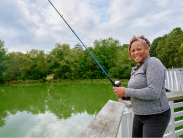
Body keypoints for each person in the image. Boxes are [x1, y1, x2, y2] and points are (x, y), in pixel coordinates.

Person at [113, 35, 171, 137]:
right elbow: (137, 93)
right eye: (133, 50)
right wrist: (126, 96)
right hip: (139, 115)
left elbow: (153, 93)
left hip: (156, 116)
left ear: (147, 49)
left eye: (139, 49)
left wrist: (126, 91)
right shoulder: (135, 69)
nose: (135, 53)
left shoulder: (153, 62)